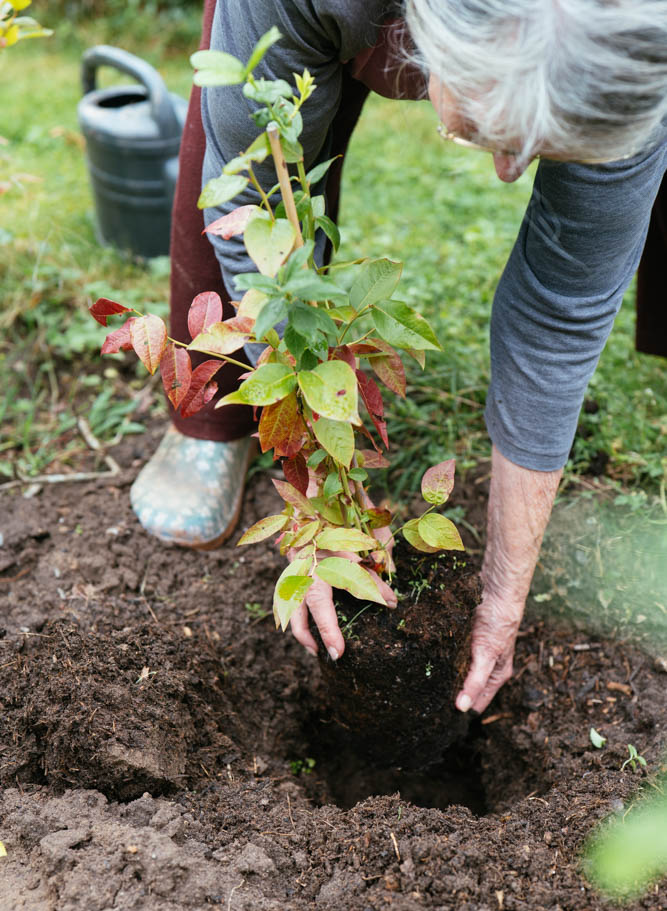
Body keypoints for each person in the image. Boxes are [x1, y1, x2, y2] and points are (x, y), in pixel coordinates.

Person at [130, 0, 667, 714]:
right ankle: (213, 424)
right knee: (258, 170)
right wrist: (319, 513)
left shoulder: (634, 50)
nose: (509, 172)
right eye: (494, 132)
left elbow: (559, 320)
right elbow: (254, 215)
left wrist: (505, 594)